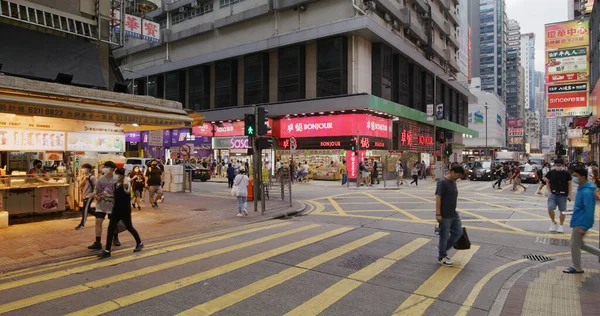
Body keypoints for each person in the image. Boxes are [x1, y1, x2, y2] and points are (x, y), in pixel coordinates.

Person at [98, 168, 143, 258]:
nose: (115, 176)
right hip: (116, 209)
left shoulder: (126, 183)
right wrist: (109, 196)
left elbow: (126, 190)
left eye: (117, 174)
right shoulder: (116, 184)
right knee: (110, 229)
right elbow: (117, 196)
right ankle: (107, 250)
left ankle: (139, 243)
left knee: (129, 227)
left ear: (121, 175)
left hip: (125, 210)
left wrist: (126, 181)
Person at [562, 167, 600, 273]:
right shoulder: (583, 188)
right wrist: (573, 210)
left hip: (581, 222)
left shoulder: (587, 191)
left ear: (582, 177)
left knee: (574, 244)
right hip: (579, 218)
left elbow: (589, 210)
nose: (573, 178)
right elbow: (582, 206)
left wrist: (584, 226)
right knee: (581, 245)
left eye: (575, 176)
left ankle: (577, 267)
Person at [435, 165, 465, 267]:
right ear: (452, 172)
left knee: (458, 232)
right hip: (445, 214)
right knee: (444, 236)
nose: (458, 177)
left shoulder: (453, 182)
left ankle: (442, 250)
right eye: (457, 175)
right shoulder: (442, 182)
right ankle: (441, 257)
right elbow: (438, 197)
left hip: (453, 213)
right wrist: (438, 213)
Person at [88, 161, 119, 250]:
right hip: (101, 204)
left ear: (113, 169)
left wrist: (110, 196)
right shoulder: (101, 179)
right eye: (104, 167)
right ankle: (98, 242)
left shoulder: (117, 179)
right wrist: (94, 195)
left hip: (112, 205)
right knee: (98, 221)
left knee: (113, 223)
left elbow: (120, 194)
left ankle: (115, 237)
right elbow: (96, 189)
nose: (105, 169)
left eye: (107, 167)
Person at [544, 159, 572, 233]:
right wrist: (549, 191)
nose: (558, 167)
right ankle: (553, 222)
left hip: (563, 195)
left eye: (560, 165)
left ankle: (561, 226)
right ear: (554, 165)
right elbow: (547, 181)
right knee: (550, 208)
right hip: (553, 194)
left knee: (562, 211)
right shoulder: (551, 172)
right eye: (557, 165)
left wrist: (569, 195)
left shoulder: (567, 174)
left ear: (563, 165)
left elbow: (570, 184)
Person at [75, 163, 97, 230]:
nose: (82, 169)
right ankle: (99, 215)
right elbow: (79, 186)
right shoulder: (83, 177)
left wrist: (93, 194)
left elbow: (97, 186)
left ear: (88, 169)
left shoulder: (92, 177)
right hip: (84, 195)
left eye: (84, 168)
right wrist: (84, 180)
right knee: (88, 209)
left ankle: (82, 224)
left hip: (89, 196)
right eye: (82, 168)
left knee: (85, 210)